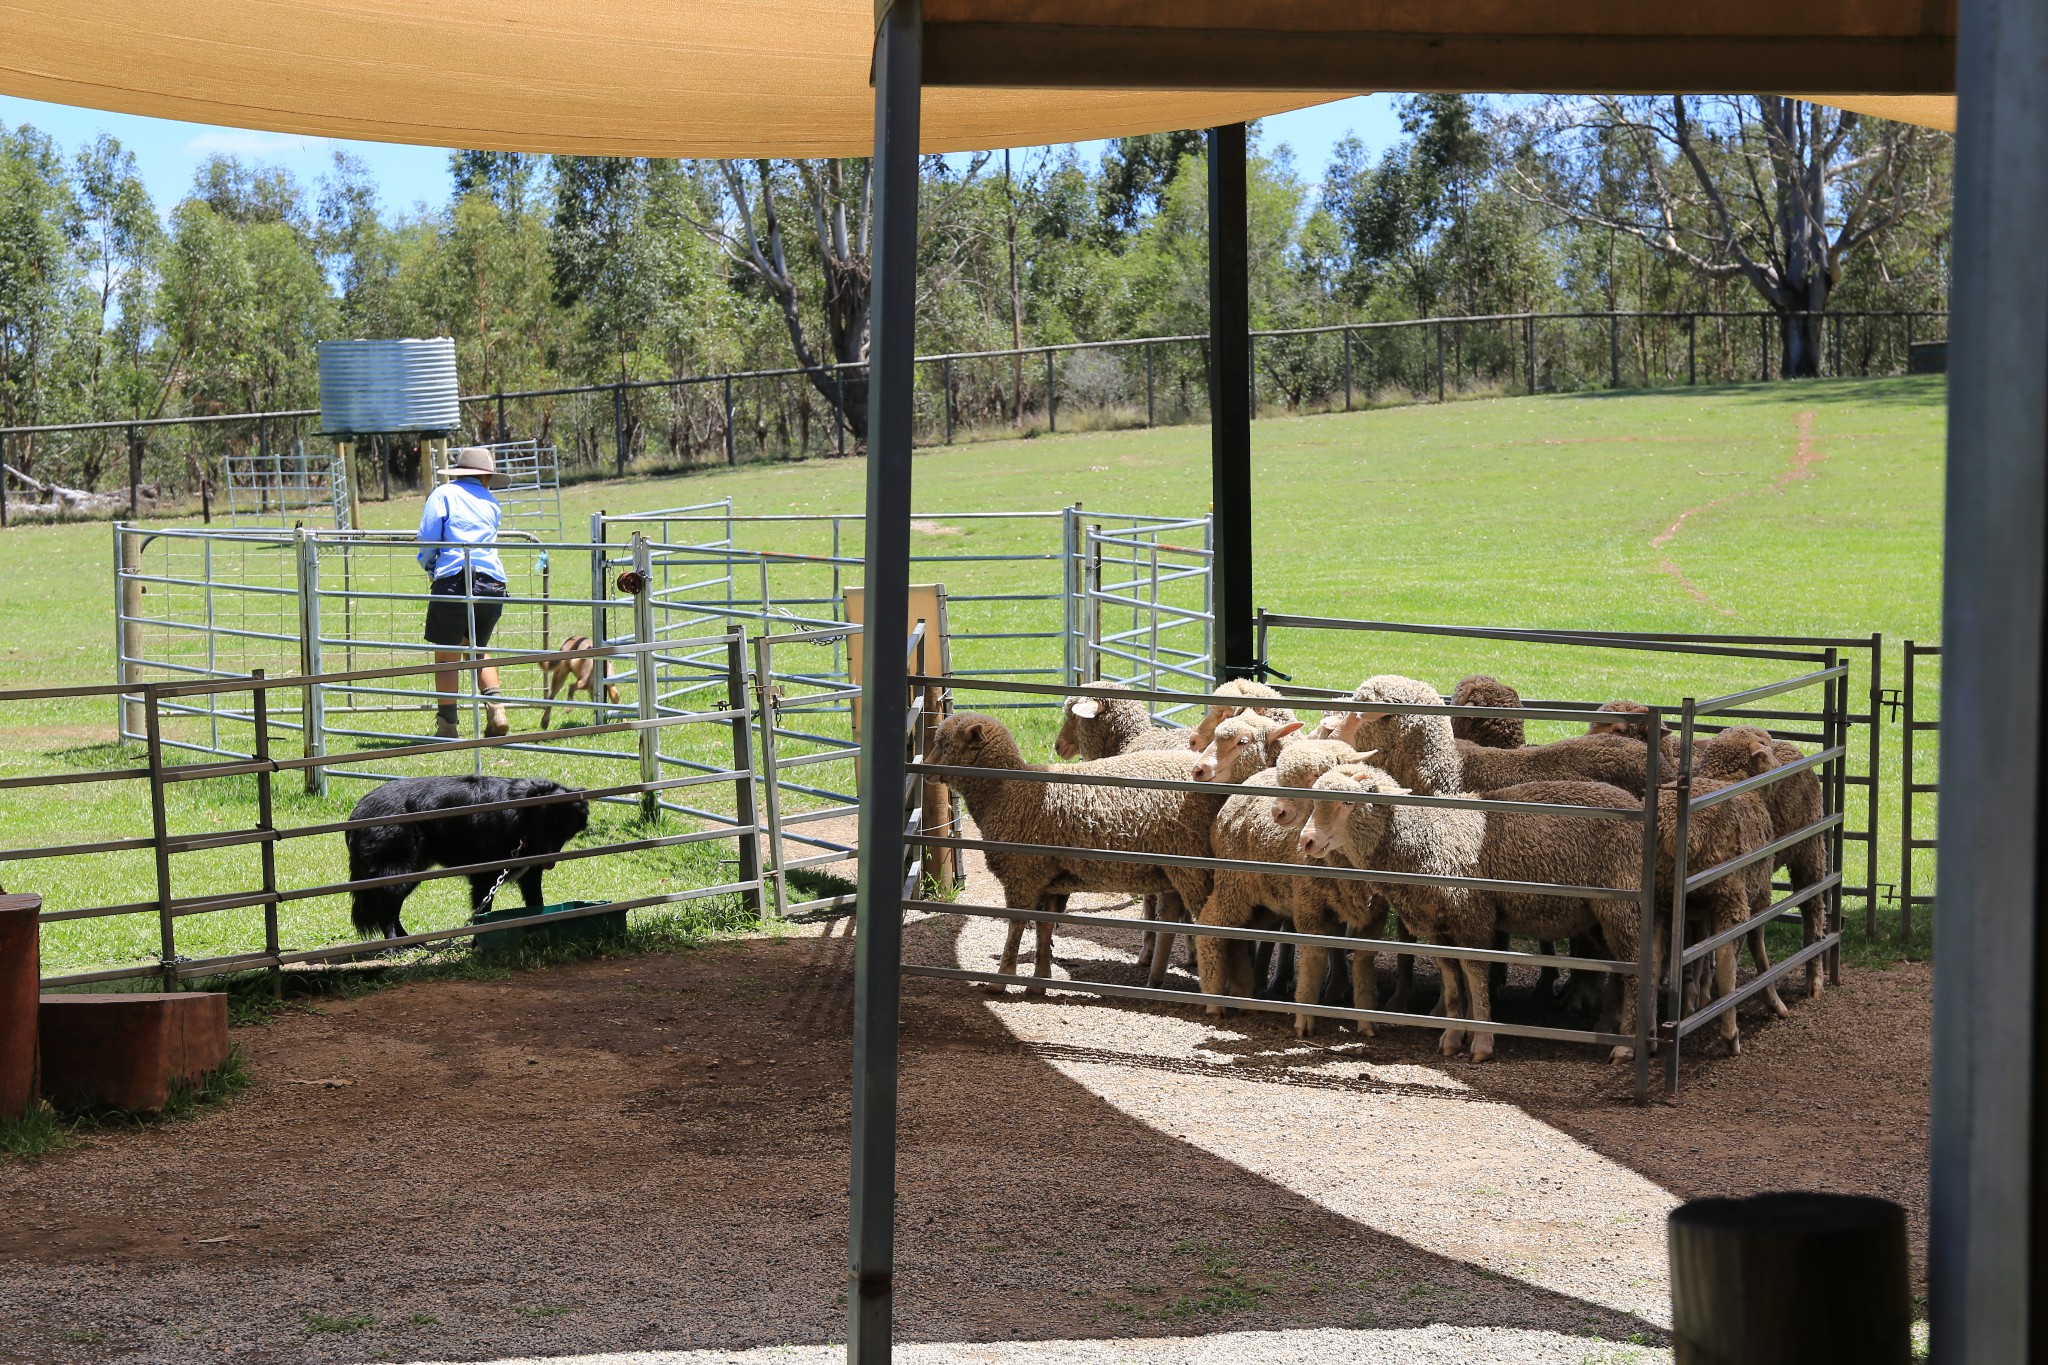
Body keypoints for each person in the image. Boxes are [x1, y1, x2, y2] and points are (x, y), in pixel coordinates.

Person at [418, 446, 511, 739]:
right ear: (486, 476)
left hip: (454, 579)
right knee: (477, 649)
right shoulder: (491, 501)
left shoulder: (443, 495)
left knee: (447, 656)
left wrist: (430, 564)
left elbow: (429, 536)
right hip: (492, 583)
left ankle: (447, 725)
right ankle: (496, 708)